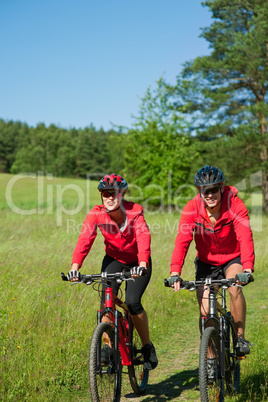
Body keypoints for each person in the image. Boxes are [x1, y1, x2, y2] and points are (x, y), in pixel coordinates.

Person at [67, 173, 158, 371]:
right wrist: (75, 267)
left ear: (122, 194)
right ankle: (108, 347)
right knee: (106, 300)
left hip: (138, 263)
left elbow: (143, 235)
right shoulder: (96, 214)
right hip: (114, 260)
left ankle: (147, 346)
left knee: (133, 303)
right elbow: (85, 240)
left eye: (114, 193)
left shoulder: (135, 212)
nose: (109, 197)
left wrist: (142, 264)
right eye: (105, 193)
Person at [167, 165, 254, 358]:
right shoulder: (192, 208)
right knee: (205, 310)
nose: (210, 194)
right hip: (206, 263)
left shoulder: (235, 205)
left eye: (214, 189)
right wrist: (175, 272)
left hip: (232, 258)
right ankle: (210, 358)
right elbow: (182, 240)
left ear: (222, 188)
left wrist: (247, 269)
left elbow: (245, 237)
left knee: (234, 287)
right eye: (205, 190)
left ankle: (240, 338)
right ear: (200, 191)